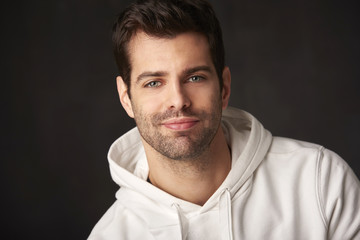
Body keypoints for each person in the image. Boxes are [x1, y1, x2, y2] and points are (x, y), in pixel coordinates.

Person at [88, 0, 360, 239]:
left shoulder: (319, 182)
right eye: (153, 82)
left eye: (195, 77)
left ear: (224, 87)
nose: (178, 99)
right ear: (126, 98)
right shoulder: (111, 235)